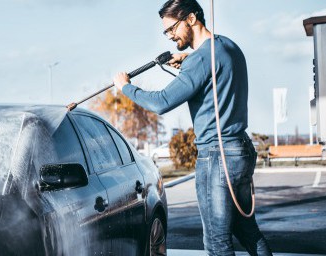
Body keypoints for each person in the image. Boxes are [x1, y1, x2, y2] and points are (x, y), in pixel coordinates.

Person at [112, 0, 272, 255]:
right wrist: (188, 58)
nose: (170, 36)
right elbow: (215, 70)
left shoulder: (200, 62)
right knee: (248, 232)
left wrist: (126, 87)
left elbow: (162, 102)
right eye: (166, 32)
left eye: (172, 28)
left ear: (191, 19)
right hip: (240, 149)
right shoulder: (228, 47)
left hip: (216, 156)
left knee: (217, 242)